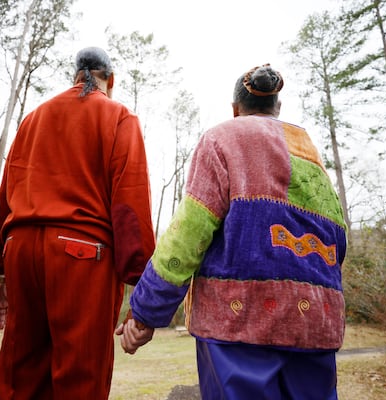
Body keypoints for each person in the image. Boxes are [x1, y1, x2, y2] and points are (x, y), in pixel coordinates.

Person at [116, 64, 348, 399]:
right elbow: (337, 239)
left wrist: (145, 312)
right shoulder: (309, 152)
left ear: (235, 109)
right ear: (277, 108)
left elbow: (188, 235)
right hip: (314, 325)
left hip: (237, 326)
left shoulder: (222, 139)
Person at [0, 46, 155, 400]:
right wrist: (142, 285)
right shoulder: (120, 117)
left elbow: (5, 197)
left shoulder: (33, 119)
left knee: (19, 371)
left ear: (75, 76)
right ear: (111, 80)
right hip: (82, 255)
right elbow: (130, 202)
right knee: (81, 375)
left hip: (20, 250)